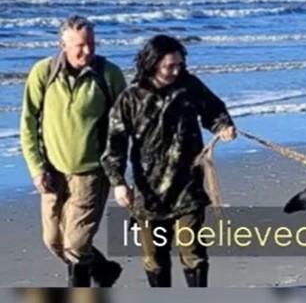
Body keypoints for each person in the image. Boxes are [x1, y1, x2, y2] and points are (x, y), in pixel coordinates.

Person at [102, 35, 236, 288]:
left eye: (180, 65)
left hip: (188, 188)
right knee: (155, 259)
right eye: (170, 66)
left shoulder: (190, 86)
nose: (176, 71)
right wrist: (118, 182)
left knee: (193, 253)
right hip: (149, 193)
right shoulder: (131, 97)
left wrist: (223, 126)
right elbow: (115, 143)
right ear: (153, 64)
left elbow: (214, 110)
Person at [20, 15, 126, 287]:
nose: (88, 51)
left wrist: (119, 178)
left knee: (76, 244)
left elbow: (124, 127)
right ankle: (103, 271)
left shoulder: (109, 74)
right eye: (80, 45)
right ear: (62, 45)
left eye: (91, 43)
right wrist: (36, 168)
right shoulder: (43, 72)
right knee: (53, 240)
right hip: (52, 173)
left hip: (91, 173)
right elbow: (28, 122)